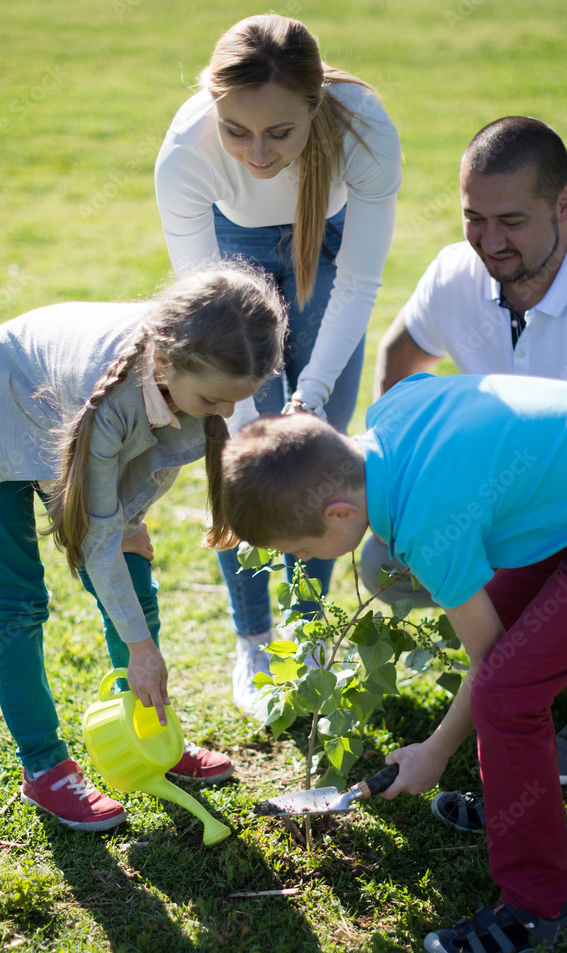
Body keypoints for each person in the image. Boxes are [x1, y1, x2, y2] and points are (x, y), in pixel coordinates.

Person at [217, 372, 567, 953]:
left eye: (299, 549)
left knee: (509, 694)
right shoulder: (389, 417)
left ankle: (538, 912)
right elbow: (431, 385)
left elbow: (493, 672)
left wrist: (435, 750)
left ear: (340, 512)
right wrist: (436, 746)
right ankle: (516, 800)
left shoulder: (429, 523)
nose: (300, 560)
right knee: (507, 664)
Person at [365, 116, 567, 797]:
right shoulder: (455, 273)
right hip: (497, 503)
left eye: (511, 221)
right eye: (473, 217)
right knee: (382, 561)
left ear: (565, 203)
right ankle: (503, 646)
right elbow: (399, 356)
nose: (488, 243)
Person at [0, 264, 286, 831]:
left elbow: (127, 501)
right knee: (17, 599)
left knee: (134, 568)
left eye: (235, 400)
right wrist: (143, 650)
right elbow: (95, 535)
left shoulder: (188, 381)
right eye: (215, 398)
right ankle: (44, 767)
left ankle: (152, 734)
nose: (226, 414)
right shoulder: (117, 396)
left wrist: (130, 520)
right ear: (168, 362)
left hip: (62, 405)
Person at [154, 13, 401, 716]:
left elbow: (356, 285)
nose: (257, 153)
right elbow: (210, 316)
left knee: (320, 448)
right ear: (212, 106)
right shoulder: (185, 155)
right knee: (242, 453)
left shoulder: (363, 127)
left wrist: (311, 397)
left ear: (314, 105)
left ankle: (307, 627)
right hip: (229, 247)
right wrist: (244, 414)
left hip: (329, 238)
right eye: (237, 130)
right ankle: (255, 638)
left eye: (278, 132)